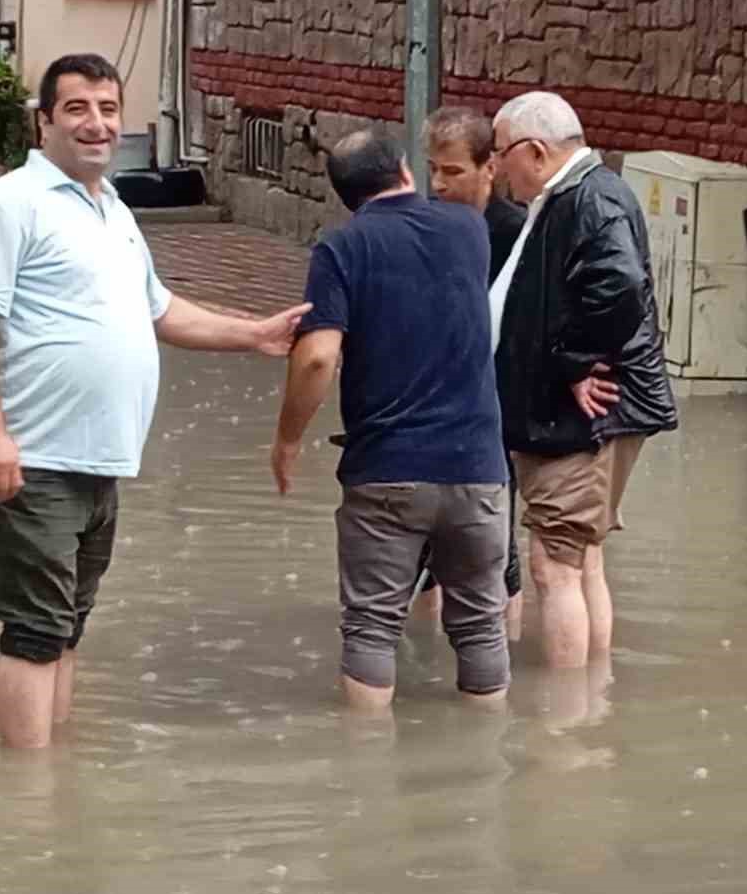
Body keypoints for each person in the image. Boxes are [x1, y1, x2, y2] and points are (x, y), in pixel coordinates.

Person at [0, 52, 309, 749]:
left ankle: (55, 778)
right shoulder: (7, 205)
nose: (96, 124)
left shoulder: (111, 208)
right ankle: (26, 801)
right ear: (44, 119)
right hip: (31, 460)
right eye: (77, 108)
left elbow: (159, 310)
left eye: (108, 109)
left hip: (97, 462)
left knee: (66, 627)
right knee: (34, 631)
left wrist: (252, 334)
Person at [271, 128, 511, 712]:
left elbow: (319, 356)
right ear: (406, 170)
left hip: (386, 471)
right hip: (478, 469)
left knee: (372, 629)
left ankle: (367, 781)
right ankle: (489, 774)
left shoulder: (342, 248)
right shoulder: (469, 230)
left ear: (344, 195)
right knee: (481, 627)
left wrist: (286, 440)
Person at [489, 91, 677, 669]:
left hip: (584, 416)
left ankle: (563, 727)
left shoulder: (588, 200)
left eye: (500, 154)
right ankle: (589, 703)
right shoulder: (572, 195)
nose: (495, 168)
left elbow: (620, 286)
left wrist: (573, 361)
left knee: (554, 563)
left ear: (536, 151)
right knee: (581, 556)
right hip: (581, 412)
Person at [415, 106, 527, 639]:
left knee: (499, 559)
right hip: (429, 412)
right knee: (419, 563)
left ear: (490, 168)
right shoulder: (422, 229)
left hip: (495, 413)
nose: (439, 184)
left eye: (453, 171)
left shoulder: (519, 235)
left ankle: (498, 654)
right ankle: (424, 654)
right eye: (434, 169)